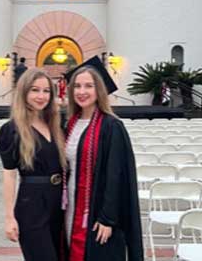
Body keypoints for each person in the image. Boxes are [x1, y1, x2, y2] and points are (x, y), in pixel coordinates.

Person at [63, 56, 143, 261]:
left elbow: (115, 175)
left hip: (97, 213)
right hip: (71, 207)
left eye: (88, 86)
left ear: (99, 90)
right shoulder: (69, 124)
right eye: (77, 86)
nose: (82, 92)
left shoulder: (111, 127)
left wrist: (108, 218)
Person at [0, 69, 67, 261]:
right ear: (24, 92)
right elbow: (9, 174)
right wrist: (9, 217)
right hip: (32, 204)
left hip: (60, 203)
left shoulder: (56, 125)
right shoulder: (11, 130)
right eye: (35, 90)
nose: (41, 96)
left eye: (46, 91)